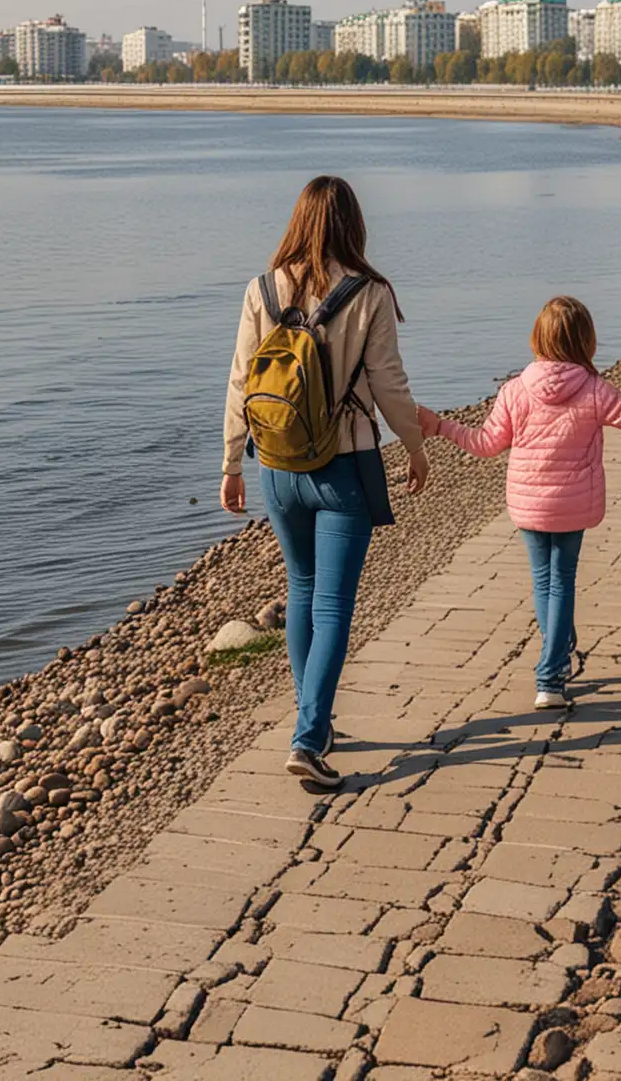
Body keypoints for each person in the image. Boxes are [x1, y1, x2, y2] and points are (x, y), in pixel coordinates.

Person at [222, 175, 429, 790]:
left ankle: (314, 718)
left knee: (303, 589)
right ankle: (309, 738)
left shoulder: (261, 288)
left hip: (278, 469)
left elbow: (240, 381)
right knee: (334, 602)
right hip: (343, 467)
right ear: (353, 226)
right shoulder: (368, 294)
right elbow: (389, 385)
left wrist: (232, 463)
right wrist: (415, 447)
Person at [417, 297, 621, 710]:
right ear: (586, 341)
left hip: (528, 505)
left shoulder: (515, 390)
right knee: (562, 580)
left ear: (538, 338)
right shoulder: (594, 389)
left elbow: (487, 443)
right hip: (573, 504)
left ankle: (558, 653)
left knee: (543, 581)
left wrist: (440, 426)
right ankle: (550, 676)